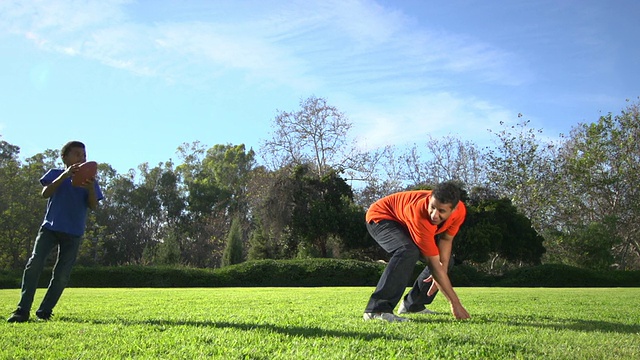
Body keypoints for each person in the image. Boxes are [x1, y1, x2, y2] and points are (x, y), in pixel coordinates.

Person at [7, 141, 103, 323]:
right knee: (34, 264)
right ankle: (22, 310)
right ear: (65, 157)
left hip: (74, 233)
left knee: (62, 275)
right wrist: (64, 177)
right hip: (49, 228)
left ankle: (44, 311)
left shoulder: (90, 182)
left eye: (84, 155)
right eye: (77, 154)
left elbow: (93, 206)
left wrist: (90, 188)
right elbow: (45, 193)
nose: (82, 158)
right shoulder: (55, 174)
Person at [363, 181, 470, 322]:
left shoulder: (460, 211)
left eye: (442, 211)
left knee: (446, 262)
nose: (434, 215)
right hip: (381, 216)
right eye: (432, 207)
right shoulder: (419, 213)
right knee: (407, 250)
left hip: (404, 222)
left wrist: (442, 269)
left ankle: (413, 305)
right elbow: (433, 264)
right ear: (430, 198)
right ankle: (376, 310)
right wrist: (455, 303)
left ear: (454, 209)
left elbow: (446, 239)